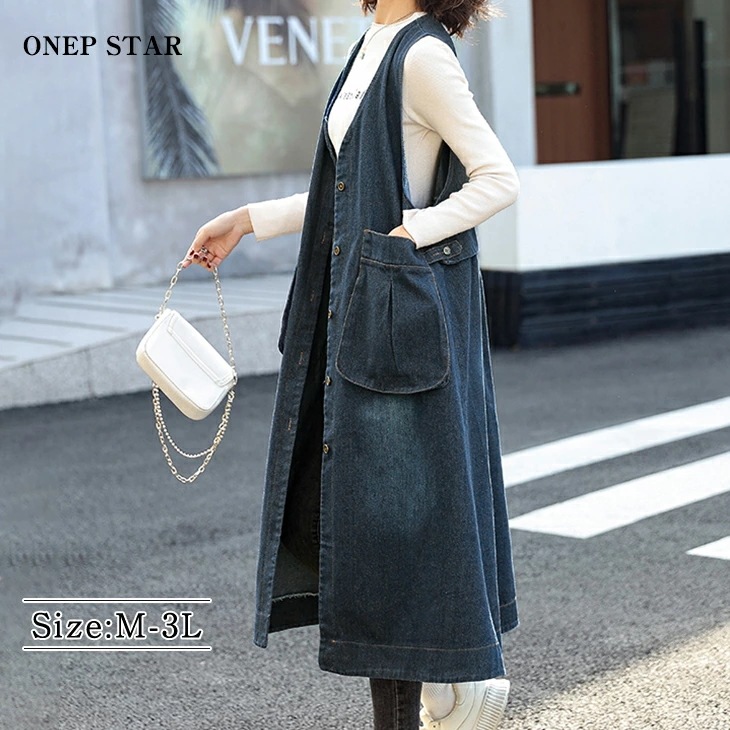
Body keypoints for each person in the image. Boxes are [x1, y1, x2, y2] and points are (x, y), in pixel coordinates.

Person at [183, 1, 520, 728]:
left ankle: (446, 685)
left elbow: (498, 178)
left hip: (393, 316)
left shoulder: (422, 55)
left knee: (386, 530)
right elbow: (345, 190)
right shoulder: (374, 42)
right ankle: (447, 687)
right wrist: (248, 219)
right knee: (373, 530)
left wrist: (410, 232)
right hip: (361, 313)